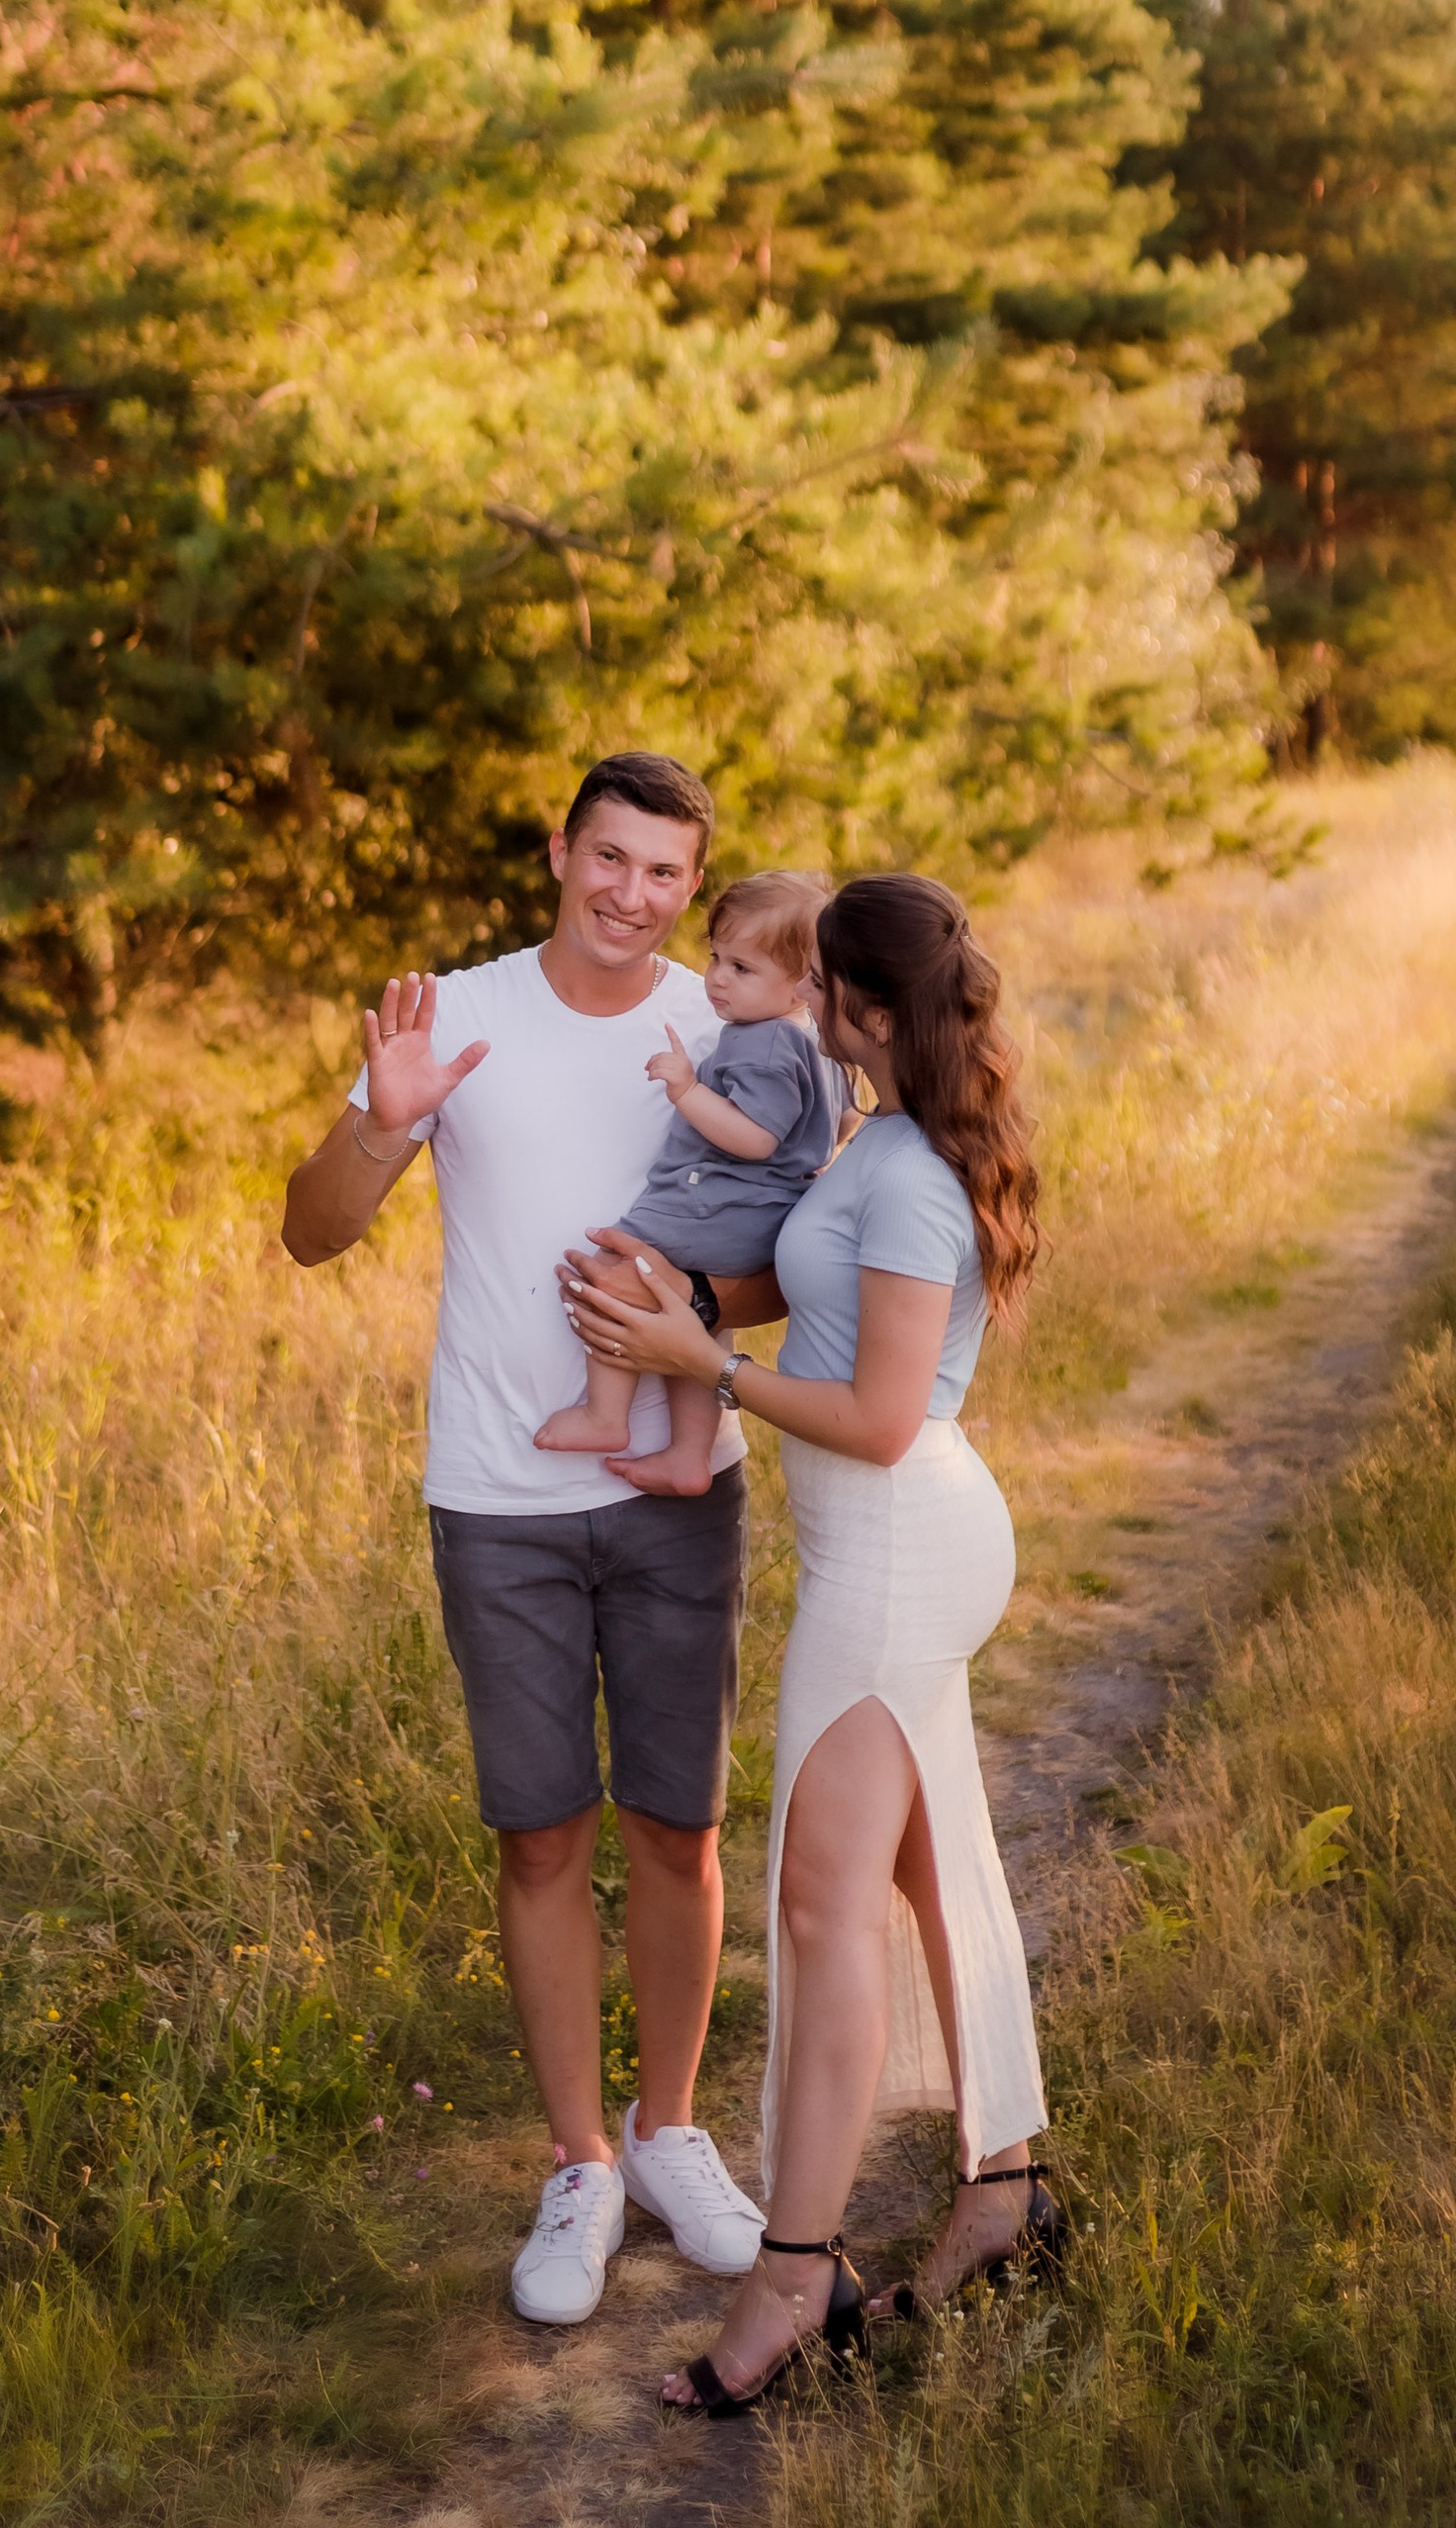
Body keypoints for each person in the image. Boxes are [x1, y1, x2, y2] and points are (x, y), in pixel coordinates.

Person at [561, 870, 1064, 2420]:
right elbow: (816, 1283)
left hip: (899, 1549)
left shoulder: (906, 1171)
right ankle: (1008, 2192)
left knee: (822, 1900)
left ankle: (797, 2270)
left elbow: (883, 1412)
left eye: (809, 988)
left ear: (853, 1008)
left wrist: (702, 1359)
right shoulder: (886, 1138)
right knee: (924, 1867)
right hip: (884, 1541)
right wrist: (691, 1292)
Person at [279, 750, 771, 2330]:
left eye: (664, 874)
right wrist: (382, 1119)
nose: (630, 896)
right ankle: (580, 2163)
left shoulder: (725, 1022)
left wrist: (690, 1308)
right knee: (542, 1834)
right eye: (607, 860)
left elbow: (782, 1262)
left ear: (693, 886)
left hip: (678, 1486)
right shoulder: (459, 1016)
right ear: (559, 849)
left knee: (676, 1825)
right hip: (499, 1492)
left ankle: (670, 2124)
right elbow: (312, 1228)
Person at [535, 870, 843, 1494]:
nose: (717, 979)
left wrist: (686, 1088)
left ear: (801, 984)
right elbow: (834, 1127)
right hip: (758, 1221)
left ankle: (605, 1415)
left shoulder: (763, 1043)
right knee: (696, 1320)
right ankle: (689, 1455)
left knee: (621, 1269)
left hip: (720, 1208)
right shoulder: (817, 1045)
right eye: (716, 959)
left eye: (742, 968)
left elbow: (755, 1137)